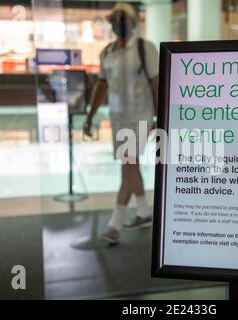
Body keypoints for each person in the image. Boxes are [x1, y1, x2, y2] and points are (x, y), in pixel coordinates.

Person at [83, 2, 159, 245]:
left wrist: (160, 117)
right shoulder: (106, 52)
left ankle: (114, 224)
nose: (118, 23)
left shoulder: (144, 48)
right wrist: (89, 116)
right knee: (129, 165)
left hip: (141, 116)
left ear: (134, 22)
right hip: (118, 119)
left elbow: (157, 84)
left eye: (123, 18)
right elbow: (101, 86)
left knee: (127, 164)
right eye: (114, 19)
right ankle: (144, 211)